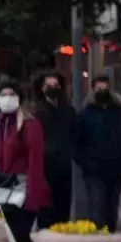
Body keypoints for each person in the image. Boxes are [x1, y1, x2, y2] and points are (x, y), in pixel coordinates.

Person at [0, 79, 56, 242]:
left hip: (26, 191)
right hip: (6, 192)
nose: (7, 97)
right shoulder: (1, 124)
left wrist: (33, 196)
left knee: (22, 237)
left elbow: (35, 162)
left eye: (11, 93)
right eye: (3, 93)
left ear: (19, 97)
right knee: (16, 241)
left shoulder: (29, 125)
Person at [74, 74, 121, 232]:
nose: (102, 91)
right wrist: (86, 164)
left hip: (116, 171)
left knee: (111, 210)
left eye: (105, 88)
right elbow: (76, 143)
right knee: (97, 209)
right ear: (93, 89)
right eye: (99, 88)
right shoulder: (85, 115)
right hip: (93, 172)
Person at [34, 72, 75, 228]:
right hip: (44, 168)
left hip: (64, 167)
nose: (53, 88)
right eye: (49, 86)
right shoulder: (38, 113)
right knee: (45, 209)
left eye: (56, 85)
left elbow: (74, 135)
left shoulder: (68, 112)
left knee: (63, 207)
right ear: (42, 89)